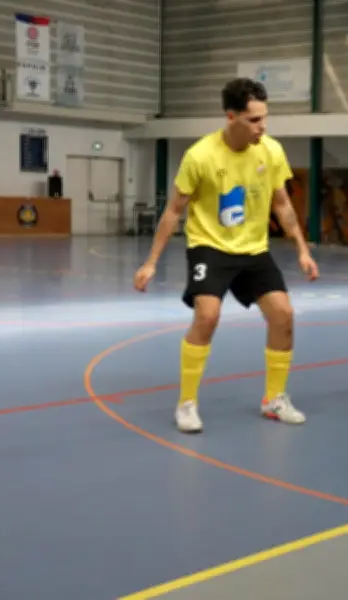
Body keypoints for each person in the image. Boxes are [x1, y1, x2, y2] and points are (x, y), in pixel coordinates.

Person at [133, 77, 319, 434]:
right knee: (207, 315)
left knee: (283, 315)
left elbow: (282, 204)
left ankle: (274, 399)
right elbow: (174, 210)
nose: (261, 127)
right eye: (254, 120)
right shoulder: (200, 155)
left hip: (253, 248)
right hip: (210, 245)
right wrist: (151, 261)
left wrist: (302, 250)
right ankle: (187, 403)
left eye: (265, 118)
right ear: (230, 116)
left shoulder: (271, 151)